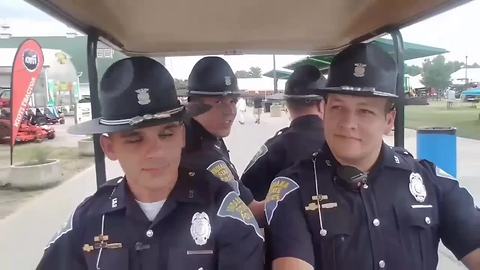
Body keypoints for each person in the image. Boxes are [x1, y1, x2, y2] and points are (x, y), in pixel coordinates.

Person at [265, 43, 480, 270]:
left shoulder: (430, 182)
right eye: (338, 107)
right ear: (324, 111)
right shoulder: (293, 189)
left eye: (365, 111)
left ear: (389, 120)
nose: (348, 124)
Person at [37, 57, 264, 270]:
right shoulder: (88, 220)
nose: (156, 151)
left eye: (166, 134)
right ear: (110, 148)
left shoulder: (224, 210)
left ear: (182, 136)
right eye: (135, 139)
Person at [182, 56, 265, 223]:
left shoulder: (206, 134)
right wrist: (290, 193)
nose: (230, 111)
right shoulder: (201, 154)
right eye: (219, 101)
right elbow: (250, 212)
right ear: (194, 104)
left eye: (233, 101)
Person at [241, 65, 326, 201]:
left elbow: (244, 196)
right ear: (322, 105)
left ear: (287, 104)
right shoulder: (339, 145)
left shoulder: (274, 147)